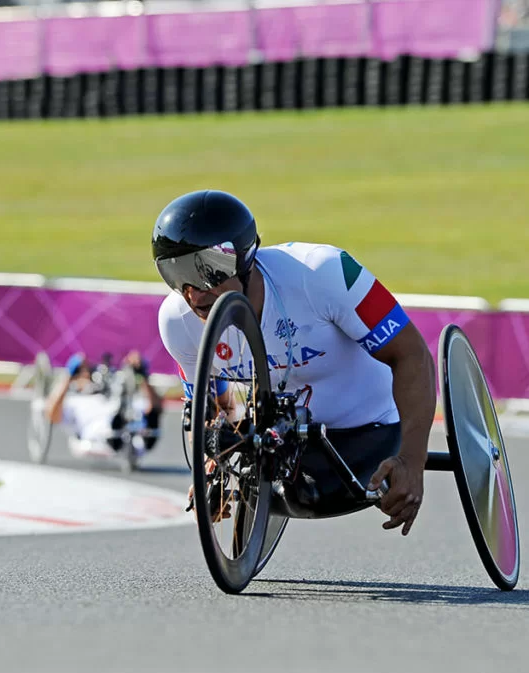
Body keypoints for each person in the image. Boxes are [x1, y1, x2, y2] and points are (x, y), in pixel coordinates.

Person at [153, 189, 437, 536]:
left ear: (245, 260)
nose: (194, 293)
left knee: (311, 495)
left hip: (372, 425)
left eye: (209, 271)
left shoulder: (324, 272)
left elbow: (412, 354)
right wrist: (214, 466)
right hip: (285, 437)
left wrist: (412, 459)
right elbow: (209, 403)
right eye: (175, 273)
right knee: (293, 494)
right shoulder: (175, 321)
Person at [44, 350, 163, 463]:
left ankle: (125, 423)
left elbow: (157, 406)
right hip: (100, 435)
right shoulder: (74, 401)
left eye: (89, 372)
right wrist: (68, 376)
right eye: (82, 373)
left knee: (148, 412)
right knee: (117, 417)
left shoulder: (110, 393)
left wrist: (142, 375)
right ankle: (119, 423)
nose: (87, 375)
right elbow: (51, 415)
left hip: (134, 432)